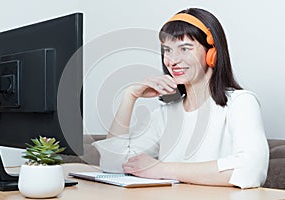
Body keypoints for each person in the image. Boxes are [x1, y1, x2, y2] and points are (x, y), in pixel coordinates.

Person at [93, 7, 269, 189]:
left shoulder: (240, 103)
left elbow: (251, 169)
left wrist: (161, 169)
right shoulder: (164, 114)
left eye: (185, 49)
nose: (172, 60)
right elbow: (113, 165)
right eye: (167, 50)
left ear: (212, 54)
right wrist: (129, 96)